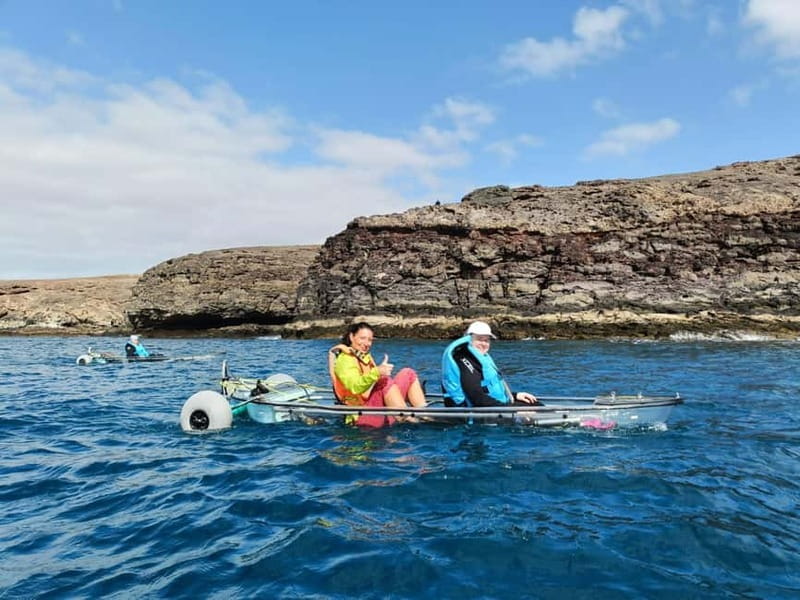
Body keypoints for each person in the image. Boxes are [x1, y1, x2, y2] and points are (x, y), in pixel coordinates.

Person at [328, 322, 426, 427]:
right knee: (385, 381)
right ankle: (407, 419)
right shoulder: (345, 360)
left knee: (408, 373)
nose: (366, 343)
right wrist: (377, 372)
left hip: (377, 408)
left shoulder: (364, 357)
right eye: (363, 338)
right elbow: (354, 387)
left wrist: (380, 373)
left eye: (370, 340)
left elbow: (372, 382)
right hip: (360, 415)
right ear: (352, 337)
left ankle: (425, 415)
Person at [441, 321, 538, 407]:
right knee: (533, 414)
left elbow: (487, 389)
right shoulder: (464, 360)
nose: (484, 344)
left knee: (534, 403)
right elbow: (476, 398)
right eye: (479, 339)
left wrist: (514, 396)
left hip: (492, 406)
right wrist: (509, 408)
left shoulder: (478, 358)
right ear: (468, 339)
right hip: (474, 414)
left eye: (486, 340)